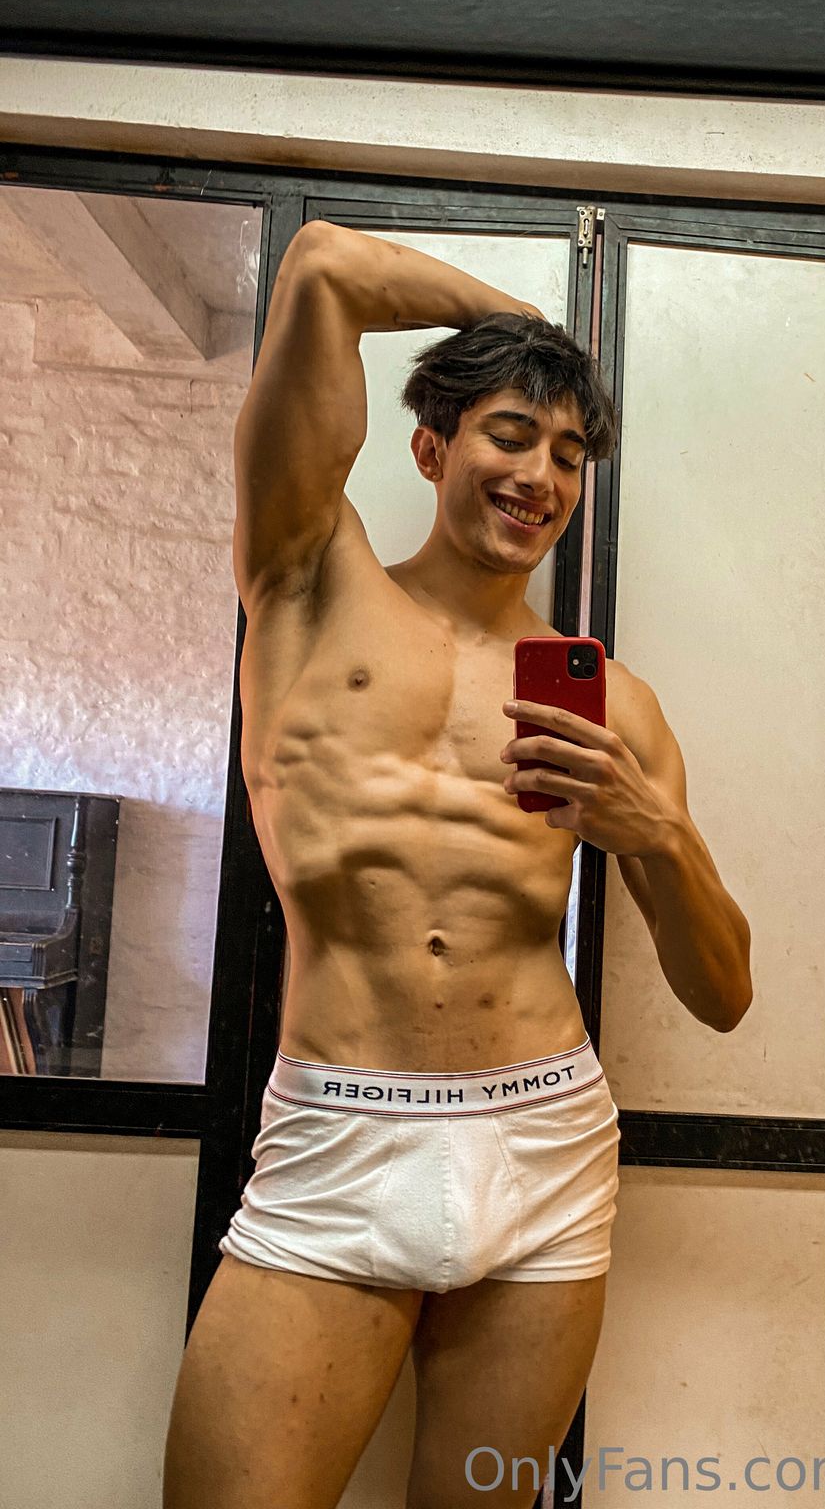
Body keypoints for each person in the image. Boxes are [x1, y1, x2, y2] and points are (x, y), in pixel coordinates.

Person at [162, 219, 753, 1509]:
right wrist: (533, 338)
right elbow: (324, 266)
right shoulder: (308, 582)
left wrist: (654, 834)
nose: (541, 474)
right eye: (511, 433)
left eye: (570, 453)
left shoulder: (618, 708)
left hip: (545, 1141)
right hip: (340, 1133)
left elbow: (723, 995)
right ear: (430, 448)